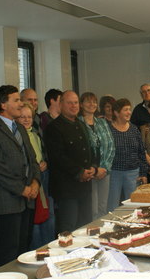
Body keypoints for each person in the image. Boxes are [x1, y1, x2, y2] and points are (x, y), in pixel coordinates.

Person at [0, 85, 41, 266]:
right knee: (8, 252)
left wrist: (36, 183)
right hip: (8, 201)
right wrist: (22, 189)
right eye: (16, 100)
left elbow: (32, 160)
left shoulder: (20, 128)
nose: (20, 103)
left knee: (24, 249)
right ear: (3, 104)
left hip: (27, 200)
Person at [43, 91, 96, 232]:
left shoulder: (81, 124)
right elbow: (58, 157)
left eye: (76, 102)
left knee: (85, 227)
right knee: (68, 228)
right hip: (67, 189)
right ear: (61, 105)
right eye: (69, 102)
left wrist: (93, 168)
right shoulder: (53, 128)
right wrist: (79, 172)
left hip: (85, 186)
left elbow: (89, 149)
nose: (74, 106)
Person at [16, 102, 54, 250]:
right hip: (30, 181)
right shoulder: (18, 137)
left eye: (29, 117)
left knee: (47, 213)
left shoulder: (36, 134)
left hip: (43, 176)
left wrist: (45, 162)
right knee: (35, 217)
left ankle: (49, 247)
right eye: (22, 117)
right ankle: (37, 249)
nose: (26, 120)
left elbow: (41, 153)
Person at [78, 92, 115, 219]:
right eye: (88, 101)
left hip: (104, 170)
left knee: (102, 207)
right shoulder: (78, 123)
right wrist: (93, 170)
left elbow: (111, 145)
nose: (91, 104)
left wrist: (104, 167)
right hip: (88, 171)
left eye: (94, 101)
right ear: (81, 104)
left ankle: (102, 234)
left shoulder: (102, 122)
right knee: (92, 209)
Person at [108, 99, 149, 210]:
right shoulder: (109, 129)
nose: (129, 112)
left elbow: (141, 152)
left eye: (129, 109)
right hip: (114, 173)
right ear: (116, 113)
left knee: (133, 206)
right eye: (125, 110)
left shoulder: (134, 129)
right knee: (112, 206)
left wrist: (143, 173)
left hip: (133, 173)